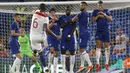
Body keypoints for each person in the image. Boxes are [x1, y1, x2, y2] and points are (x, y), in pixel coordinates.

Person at [30, 3, 60, 72]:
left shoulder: (35, 12)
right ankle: (45, 67)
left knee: (39, 53)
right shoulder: (45, 17)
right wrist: (56, 36)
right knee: (46, 36)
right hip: (42, 37)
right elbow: (47, 29)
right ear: (45, 9)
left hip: (33, 37)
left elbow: (37, 11)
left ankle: (35, 53)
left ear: (39, 8)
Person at [68, 1, 93, 73]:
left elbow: (72, 20)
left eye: (82, 5)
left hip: (83, 33)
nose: (81, 6)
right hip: (84, 32)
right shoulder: (86, 14)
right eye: (80, 5)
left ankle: (90, 64)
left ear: (85, 6)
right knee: (81, 49)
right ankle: (82, 65)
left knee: (82, 49)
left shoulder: (82, 13)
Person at [92, 0, 112, 71]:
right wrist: (98, 15)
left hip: (106, 31)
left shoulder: (106, 11)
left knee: (107, 46)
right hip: (99, 31)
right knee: (98, 46)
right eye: (99, 5)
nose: (100, 7)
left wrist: (104, 15)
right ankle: (98, 64)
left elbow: (110, 19)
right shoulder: (95, 11)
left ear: (103, 5)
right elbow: (93, 20)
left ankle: (106, 63)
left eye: (101, 5)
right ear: (97, 6)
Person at [59, 6, 76, 73]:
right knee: (63, 53)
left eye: (69, 9)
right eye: (66, 9)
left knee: (72, 53)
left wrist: (69, 35)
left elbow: (74, 27)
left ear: (70, 10)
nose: (68, 10)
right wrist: (69, 21)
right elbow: (61, 25)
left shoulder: (73, 17)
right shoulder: (62, 18)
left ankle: (71, 70)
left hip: (71, 37)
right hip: (63, 37)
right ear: (65, 10)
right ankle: (64, 70)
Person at [47, 8, 60, 73]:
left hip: (56, 38)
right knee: (52, 51)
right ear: (49, 13)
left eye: (53, 12)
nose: (53, 13)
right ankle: (48, 68)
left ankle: (55, 70)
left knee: (56, 54)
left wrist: (56, 19)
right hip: (50, 37)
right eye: (51, 12)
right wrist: (52, 22)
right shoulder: (47, 19)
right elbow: (48, 28)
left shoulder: (58, 20)